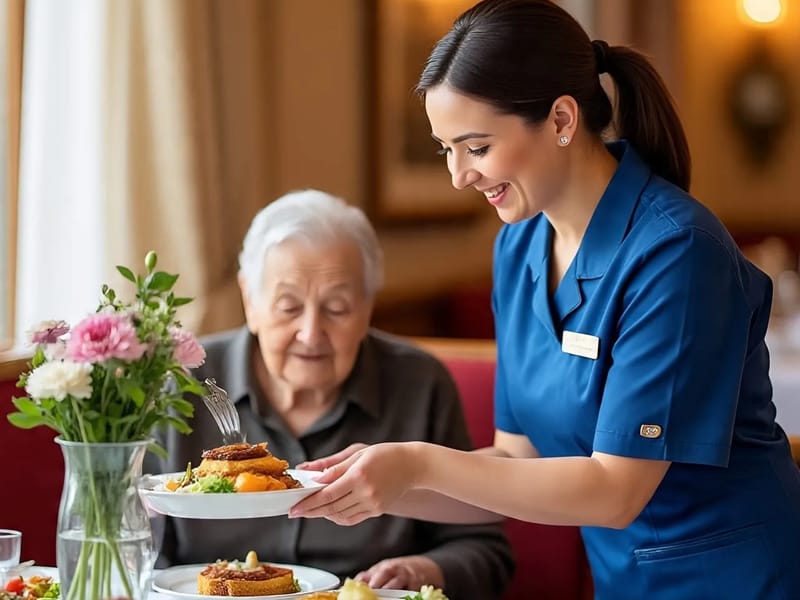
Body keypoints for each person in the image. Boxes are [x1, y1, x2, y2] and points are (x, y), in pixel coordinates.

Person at [289, 1, 800, 598]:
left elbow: (615, 490)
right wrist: (369, 487)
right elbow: (514, 464)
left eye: (476, 148)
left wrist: (419, 463)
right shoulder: (519, 245)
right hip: (624, 580)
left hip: (735, 579)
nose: (459, 176)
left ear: (561, 118)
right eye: (444, 149)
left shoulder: (678, 253)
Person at [146, 189, 514, 599]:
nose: (310, 333)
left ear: (368, 307)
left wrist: (423, 569)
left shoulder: (419, 384)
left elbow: (485, 548)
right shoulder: (185, 383)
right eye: (288, 307)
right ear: (250, 299)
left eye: (337, 308)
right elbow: (141, 545)